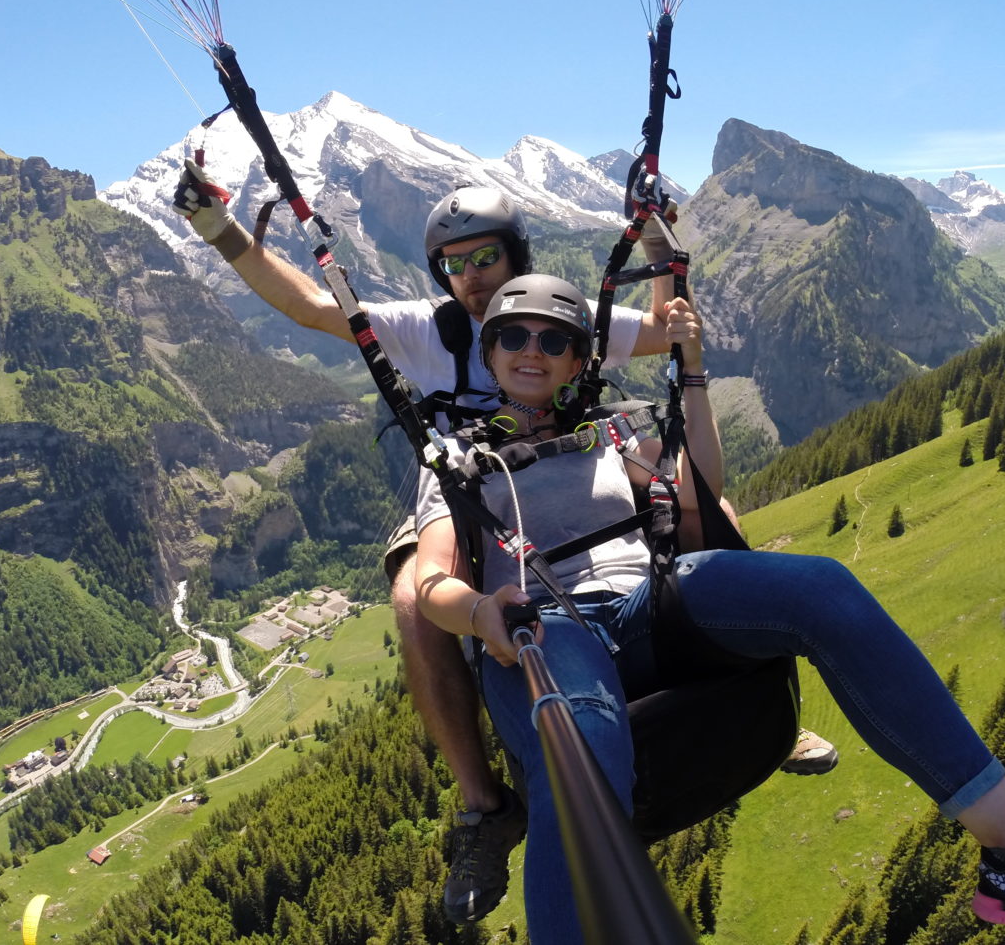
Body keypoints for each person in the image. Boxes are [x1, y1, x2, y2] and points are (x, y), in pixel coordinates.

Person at [412, 273, 1005, 944]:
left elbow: (699, 496)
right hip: (538, 628)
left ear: (581, 358)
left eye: (553, 340)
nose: (531, 351)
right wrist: (483, 615)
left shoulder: (612, 433)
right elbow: (429, 583)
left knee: (820, 587)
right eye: (513, 335)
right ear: (490, 352)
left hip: (647, 599)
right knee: (577, 737)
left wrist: (692, 372)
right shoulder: (455, 462)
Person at [172, 167, 838, 922]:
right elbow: (312, 306)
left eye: (483, 258)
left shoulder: (555, 314)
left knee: (707, 503)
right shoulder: (432, 331)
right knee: (413, 599)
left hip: (571, 466)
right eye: (454, 265)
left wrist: (656, 236)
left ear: (515, 257)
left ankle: (745, 674)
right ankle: (483, 806)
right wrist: (216, 227)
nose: (471, 279)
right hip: (465, 491)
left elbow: (661, 331)